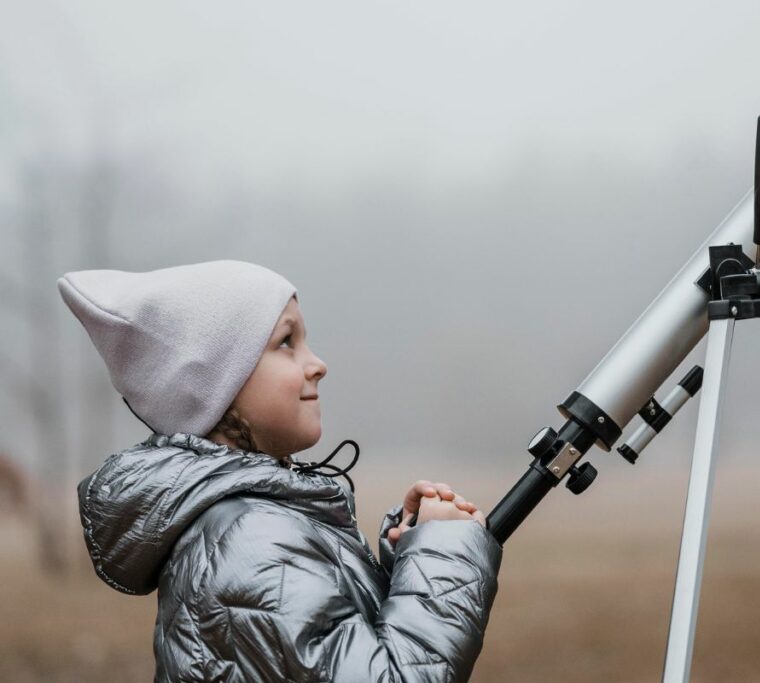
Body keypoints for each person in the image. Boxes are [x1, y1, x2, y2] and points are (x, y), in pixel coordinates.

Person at [59, 259, 502, 682]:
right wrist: (443, 554)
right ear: (216, 388)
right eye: (286, 342)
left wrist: (410, 559)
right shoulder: (250, 541)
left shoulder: (253, 523)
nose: (317, 364)